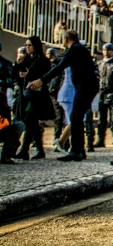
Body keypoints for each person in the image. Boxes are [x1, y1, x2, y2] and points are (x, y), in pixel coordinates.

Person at [28, 30, 99, 161]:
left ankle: (77, 151)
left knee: (75, 116)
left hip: (85, 86)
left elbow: (59, 67)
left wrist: (40, 81)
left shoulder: (74, 49)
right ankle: (79, 151)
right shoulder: (80, 49)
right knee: (77, 116)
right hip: (87, 86)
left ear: (66, 38)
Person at [13, 36, 55, 160]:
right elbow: (16, 74)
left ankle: (24, 149)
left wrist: (29, 74)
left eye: (29, 45)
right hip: (26, 95)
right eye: (25, 45)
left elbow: (44, 75)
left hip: (37, 95)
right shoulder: (26, 59)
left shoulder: (43, 60)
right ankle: (39, 149)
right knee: (32, 122)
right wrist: (17, 64)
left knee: (30, 121)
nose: (27, 48)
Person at [96, 43, 113, 148]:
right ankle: (100, 139)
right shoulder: (99, 64)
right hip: (101, 92)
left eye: (108, 50)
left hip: (112, 93)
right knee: (101, 119)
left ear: (112, 51)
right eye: (104, 50)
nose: (106, 52)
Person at [45, 47, 65, 143]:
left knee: (60, 117)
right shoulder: (45, 66)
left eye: (51, 54)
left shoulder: (58, 65)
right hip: (48, 93)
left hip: (57, 93)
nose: (49, 56)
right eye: (47, 54)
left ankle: (59, 138)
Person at [0, 91, 24, 164]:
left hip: (2, 128)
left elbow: (6, 114)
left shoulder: (2, 96)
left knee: (19, 125)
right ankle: (6, 155)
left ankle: (6, 155)